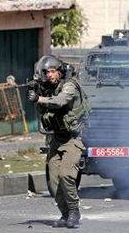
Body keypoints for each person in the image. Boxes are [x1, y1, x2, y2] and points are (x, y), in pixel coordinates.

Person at [26, 55, 90, 228]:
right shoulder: (48, 88)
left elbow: (60, 102)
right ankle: (65, 213)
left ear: (60, 72)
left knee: (66, 174)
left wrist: (38, 98)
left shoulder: (70, 86)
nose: (50, 75)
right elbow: (43, 112)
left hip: (73, 139)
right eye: (46, 72)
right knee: (53, 180)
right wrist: (36, 92)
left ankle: (74, 211)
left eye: (53, 71)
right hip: (57, 138)